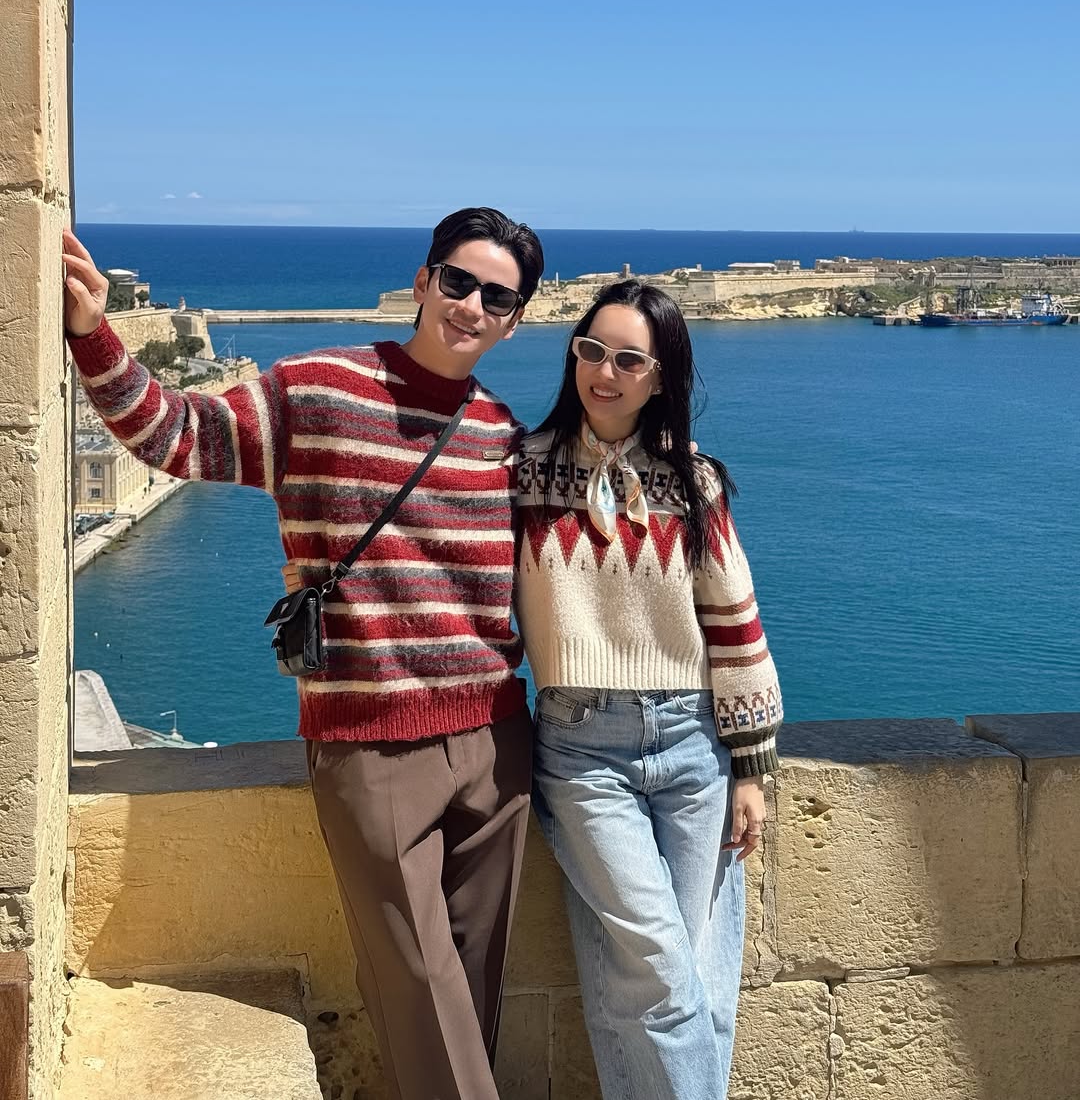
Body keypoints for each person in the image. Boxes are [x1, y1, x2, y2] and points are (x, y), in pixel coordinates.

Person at [62, 209, 544, 1100]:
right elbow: (178, 434)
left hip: (496, 741)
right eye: (458, 281)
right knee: (420, 984)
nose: (473, 306)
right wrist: (94, 335)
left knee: (472, 986)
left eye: (498, 297)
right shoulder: (317, 389)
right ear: (423, 281)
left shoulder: (502, 433)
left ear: (516, 321)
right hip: (370, 744)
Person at [515, 279, 783, 1100]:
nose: (606, 372)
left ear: (661, 376)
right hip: (580, 750)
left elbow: (733, 619)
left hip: (694, 744)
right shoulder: (521, 473)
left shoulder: (693, 483)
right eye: (592, 351)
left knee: (700, 978)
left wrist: (751, 767)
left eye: (629, 360)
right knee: (663, 975)